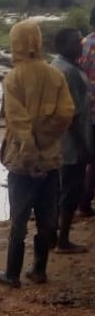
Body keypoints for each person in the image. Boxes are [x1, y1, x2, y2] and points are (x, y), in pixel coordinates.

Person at [0, 20, 75, 288]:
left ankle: (12, 275)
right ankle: (39, 270)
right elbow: (66, 114)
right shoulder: (56, 75)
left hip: (22, 163)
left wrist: (30, 155)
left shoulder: (13, 78)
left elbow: (18, 123)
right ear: (38, 41)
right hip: (51, 159)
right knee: (46, 219)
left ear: (15, 43)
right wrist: (45, 139)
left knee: (18, 221)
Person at [51, 27, 92, 253]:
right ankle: (63, 241)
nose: (81, 45)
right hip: (71, 143)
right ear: (63, 46)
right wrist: (84, 147)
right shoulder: (68, 72)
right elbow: (73, 115)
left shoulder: (60, 66)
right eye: (77, 42)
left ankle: (53, 236)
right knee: (70, 190)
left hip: (60, 141)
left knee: (60, 189)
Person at [79, 19, 95, 217]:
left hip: (81, 111)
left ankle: (79, 200)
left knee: (84, 158)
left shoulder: (80, 44)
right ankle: (85, 200)